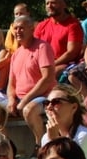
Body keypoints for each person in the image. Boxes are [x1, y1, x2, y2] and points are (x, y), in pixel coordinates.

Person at [7, 16, 57, 147]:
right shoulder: (16, 54)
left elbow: (47, 78)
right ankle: (7, 149)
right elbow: (11, 84)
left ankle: (41, 145)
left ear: (31, 29)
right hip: (20, 99)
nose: (18, 31)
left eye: (22, 28)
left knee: (29, 110)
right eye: (15, 28)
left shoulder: (42, 47)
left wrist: (25, 100)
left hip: (44, 97)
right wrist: (12, 100)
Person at [40, 83, 87, 159]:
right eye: (46, 103)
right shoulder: (46, 137)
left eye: (56, 102)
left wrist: (54, 142)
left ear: (73, 107)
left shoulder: (84, 137)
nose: (49, 107)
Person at [34, 0, 84, 74]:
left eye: (53, 3)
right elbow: (34, 49)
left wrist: (52, 64)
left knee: (52, 73)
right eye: (47, 3)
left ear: (64, 4)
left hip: (63, 65)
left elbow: (72, 53)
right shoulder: (41, 26)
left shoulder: (73, 25)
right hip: (43, 64)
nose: (49, 6)